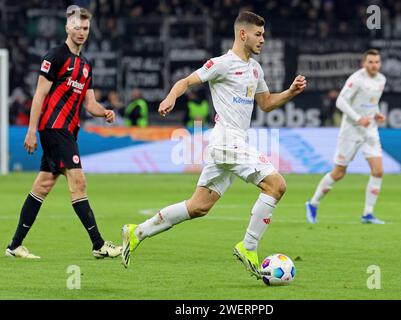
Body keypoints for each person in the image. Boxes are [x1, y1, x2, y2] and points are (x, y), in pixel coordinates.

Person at [121, 11, 307, 278]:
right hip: (225, 141)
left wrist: (290, 92)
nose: (262, 39)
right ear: (243, 34)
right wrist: (170, 97)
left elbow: (265, 104)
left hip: (232, 144)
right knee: (277, 184)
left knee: (198, 207)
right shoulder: (221, 64)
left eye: (263, 34)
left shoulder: (255, 69)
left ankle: (137, 232)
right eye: (258, 34)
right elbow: (185, 81)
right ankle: (249, 246)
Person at [5, 7, 122, 259]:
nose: (81, 32)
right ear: (68, 28)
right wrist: (31, 131)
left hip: (67, 131)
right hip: (54, 129)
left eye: (86, 28)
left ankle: (15, 246)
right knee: (78, 182)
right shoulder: (55, 56)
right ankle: (99, 244)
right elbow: (39, 95)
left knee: (43, 185)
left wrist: (104, 112)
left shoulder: (86, 66)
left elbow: (89, 104)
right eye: (77, 27)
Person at [305, 49, 387, 225]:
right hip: (351, 130)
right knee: (339, 173)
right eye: (370, 62)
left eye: (377, 62)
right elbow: (340, 101)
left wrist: (377, 114)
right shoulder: (356, 79)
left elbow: (372, 102)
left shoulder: (381, 80)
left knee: (378, 171)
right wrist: (358, 118)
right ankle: (313, 203)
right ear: (364, 63)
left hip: (370, 130)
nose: (374, 65)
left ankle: (368, 213)